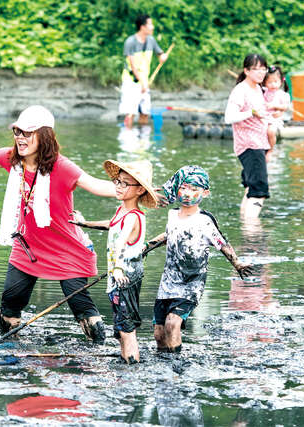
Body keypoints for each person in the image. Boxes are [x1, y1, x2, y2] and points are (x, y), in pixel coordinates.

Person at [0, 105, 116, 344]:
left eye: (27, 133)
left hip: (66, 247)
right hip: (28, 246)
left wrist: (137, 190)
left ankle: (99, 350)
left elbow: (96, 185)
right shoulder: (13, 160)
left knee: (80, 303)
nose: (20, 138)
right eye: (17, 132)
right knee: (11, 300)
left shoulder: (62, 167)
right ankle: (8, 347)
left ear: (44, 136)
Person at [144, 166, 254, 353]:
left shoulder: (204, 220)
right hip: (168, 280)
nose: (188, 194)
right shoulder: (172, 215)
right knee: (159, 332)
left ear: (205, 192)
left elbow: (222, 243)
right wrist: (146, 247)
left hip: (191, 281)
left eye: (194, 189)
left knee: (172, 323)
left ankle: (175, 365)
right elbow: (170, 235)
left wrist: (237, 263)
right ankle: (162, 363)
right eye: (184, 188)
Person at [69, 160, 158, 363]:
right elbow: (112, 226)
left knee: (126, 329)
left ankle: (131, 367)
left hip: (124, 277)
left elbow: (120, 241)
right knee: (121, 326)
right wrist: (85, 223)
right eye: (117, 181)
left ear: (139, 190)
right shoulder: (122, 212)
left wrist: (117, 268)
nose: (118, 187)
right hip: (119, 277)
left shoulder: (133, 217)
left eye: (125, 184)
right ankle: (125, 360)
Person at [224, 54, 270, 219]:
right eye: (256, 69)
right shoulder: (240, 90)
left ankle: (246, 224)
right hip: (249, 145)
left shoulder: (258, 88)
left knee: (251, 187)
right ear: (247, 70)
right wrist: (250, 112)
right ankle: (252, 231)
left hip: (259, 143)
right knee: (259, 190)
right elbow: (229, 117)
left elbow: (262, 115)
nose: (261, 73)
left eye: (263, 69)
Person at [118, 14, 168, 129]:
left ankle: (142, 141)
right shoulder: (130, 42)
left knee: (145, 113)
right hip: (132, 82)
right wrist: (142, 82)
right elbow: (133, 66)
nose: (152, 27)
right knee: (130, 113)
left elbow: (160, 54)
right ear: (142, 27)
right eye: (150, 24)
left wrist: (163, 56)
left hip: (145, 82)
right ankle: (128, 139)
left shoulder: (151, 40)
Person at [262, 65, 291, 160]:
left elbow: (285, 107)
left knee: (271, 131)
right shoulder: (263, 92)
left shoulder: (283, 95)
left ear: (281, 81)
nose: (273, 85)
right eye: (269, 82)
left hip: (275, 119)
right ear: (264, 82)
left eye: (275, 82)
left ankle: (270, 150)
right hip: (263, 117)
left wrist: (275, 107)